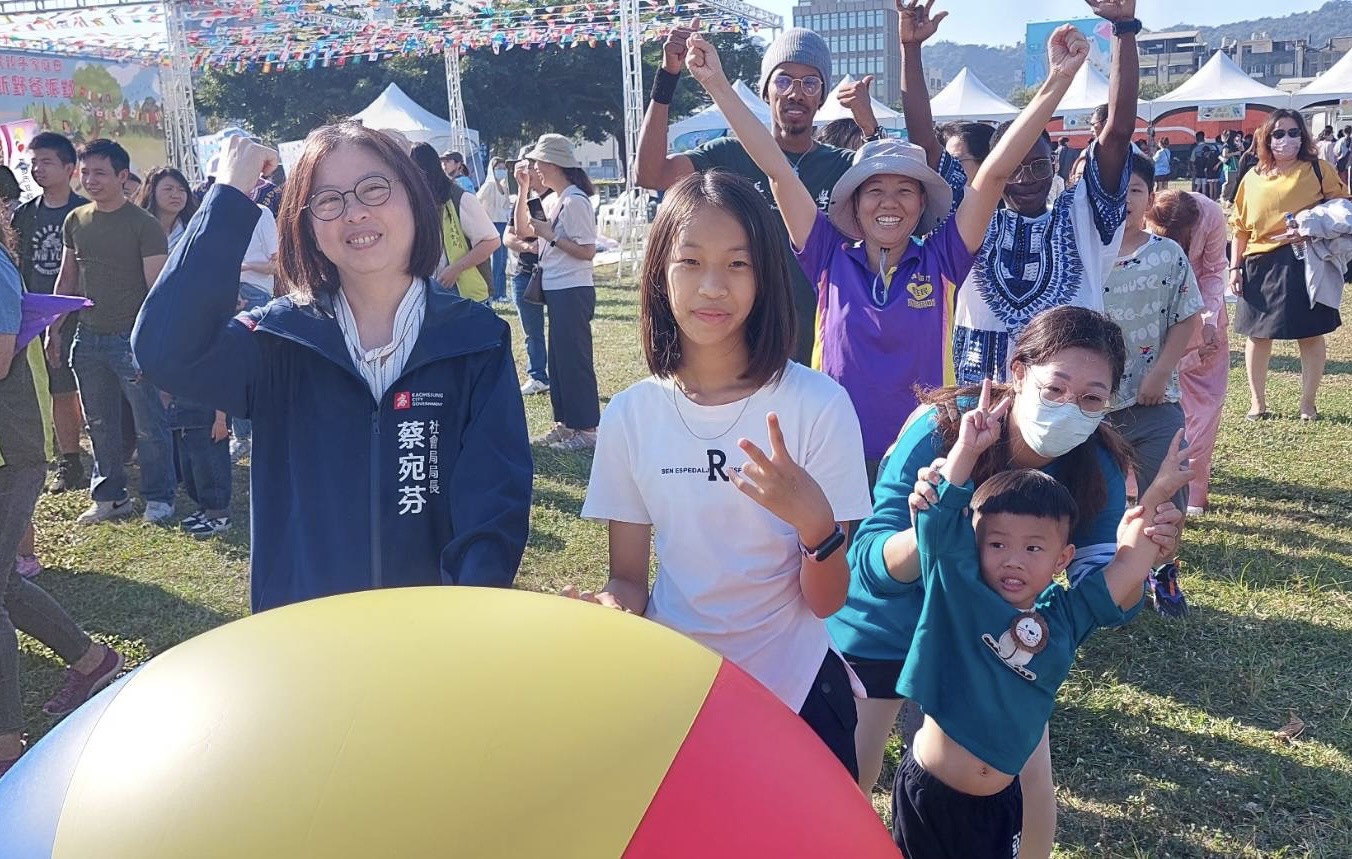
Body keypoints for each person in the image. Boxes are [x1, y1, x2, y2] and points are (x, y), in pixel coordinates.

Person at [828, 306, 1183, 856]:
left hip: (994, 639)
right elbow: (870, 562)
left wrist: (1141, 554)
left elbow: (1107, 598)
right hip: (886, 624)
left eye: (1092, 398)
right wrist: (931, 529)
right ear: (1019, 372)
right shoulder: (945, 429)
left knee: (1029, 777)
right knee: (846, 774)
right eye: (1055, 388)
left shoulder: (1096, 465)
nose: (1070, 407)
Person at [131, 127, 532, 613]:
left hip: (437, 632)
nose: (354, 212)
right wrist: (229, 195)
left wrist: (464, 613)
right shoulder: (279, 338)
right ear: (307, 227)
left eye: (374, 188)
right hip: (308, 635)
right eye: (328, 200)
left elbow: (494, 496)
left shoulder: (475, 338)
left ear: (414, 197)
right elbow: (164, 350)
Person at [684, 21, 1093, 480]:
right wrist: (716, 83)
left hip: (923, 455)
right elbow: (778, 170)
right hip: (831, 448)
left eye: (904, 190)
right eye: (874, 190)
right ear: (855, 204)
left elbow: (994, 175)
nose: (889, 203)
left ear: (922, 204)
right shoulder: (828, 254)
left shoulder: (943, 259)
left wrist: (1058, 79)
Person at [572, 170, 874, 776]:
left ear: (765, 276)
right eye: (690, 262)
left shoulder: (818, 404)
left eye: (738, 264)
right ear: (660, 272)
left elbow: (828, 601)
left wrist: (815, 526)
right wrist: (606, 609)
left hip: (796, 689)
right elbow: (628, 580)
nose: (712, 287)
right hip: (677, 688)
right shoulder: (632, 413)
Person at [889, 380, 1194, 859]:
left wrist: (1157, 494)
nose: (1013, 560)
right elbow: (938, 517)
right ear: (974, 545)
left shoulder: (1064, 619)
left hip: (999, 804)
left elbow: (1126, 567)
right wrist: (967, 449)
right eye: (997, 544)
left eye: (1033, 547)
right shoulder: (956, 590)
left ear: (1062, 558)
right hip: (931, 796)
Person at [899, 0, 1139, 390]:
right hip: (978, 400)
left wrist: (1125, 29)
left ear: (1055, 163)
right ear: (995, 169)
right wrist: (910, 49)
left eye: (1039, 165)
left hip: (1062, 398)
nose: (1027, 179)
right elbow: (926, 144)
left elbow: (1117, 134)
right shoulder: (971, 220)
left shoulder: (1083, 218)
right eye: (1013, 168)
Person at [637, 22, 885, 365]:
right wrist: (667, 77)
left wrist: (871, 128)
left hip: (824, 346)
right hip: (743, 343)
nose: (795, 93)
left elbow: (896, 197)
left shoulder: (842, 166)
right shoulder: (728, 155)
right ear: (765, 90)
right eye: (783, 80)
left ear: (822, 96)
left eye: (810, 83)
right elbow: (651, 174)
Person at [0, 226, 125, 779]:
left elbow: (0, 359)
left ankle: (6, 748)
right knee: (4, 582)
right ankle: (95, 662)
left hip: (11, 451)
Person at [47, 139, 175, 525]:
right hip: (87, 338)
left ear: (123, 176)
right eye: (85, 172)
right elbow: (67, 279)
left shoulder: (144, 225)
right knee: (99, 423)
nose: (90, 180)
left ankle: (159, 497)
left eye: (100, 173)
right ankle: (110, 496)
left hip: (131, 339)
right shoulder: (76, 220)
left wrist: (152, 343)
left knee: (148, 423)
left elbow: (157, 292)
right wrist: (54, 328)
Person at [1100, 155, 1202, 618]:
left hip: (1154, 401)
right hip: (1092, 408)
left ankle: (1162, 569)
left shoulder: (1167, 254)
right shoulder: (1081, 253)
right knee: (1097, 497)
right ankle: (1108, 574)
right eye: (1112, 190)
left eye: (1134, 191)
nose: (1123, 201)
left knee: (1167, 490)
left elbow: (1187, 316)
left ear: (1150, 197)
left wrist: (1161, 372)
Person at [1230, 109, 1347, 422]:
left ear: (1303, 136)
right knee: (1257, 335)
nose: (1287, 139)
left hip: (1304, 260)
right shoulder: (1252, 177)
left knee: (1310, 334)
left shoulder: (1318, 169)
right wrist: (1234, 268)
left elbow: (1342, 208)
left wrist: (1312, 226)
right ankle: (1257, 403)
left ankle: (1308, 404)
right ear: (1266, 139)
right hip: (1259, 263)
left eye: (1294, 132)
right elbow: (1239, 228)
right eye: (1279, 134)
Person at [10, 132, 87, 495]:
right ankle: (67, 459)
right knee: (52, 387)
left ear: (70, 168)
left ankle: (93, 456)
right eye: (33, 163)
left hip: (78, 313)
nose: (38, 169)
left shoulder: (86, 212)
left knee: (75, 388)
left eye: (46, 162)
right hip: (33, 316)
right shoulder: (25, 214)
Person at [512, 134, 600, 452]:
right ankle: (566, 424)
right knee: (560, 362)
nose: (534, 167)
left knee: (574, 360)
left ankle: (586, 429)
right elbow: (524, 230)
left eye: (538, 162)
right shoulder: (555, 199)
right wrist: (523, 189)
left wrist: (551, 237)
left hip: (572, 289)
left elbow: (587, 251)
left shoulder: (575, 201)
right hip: (558, 288)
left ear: (553, 164)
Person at [1147, 189, 1229, 515]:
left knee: (1204, 405)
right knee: (1153, 401)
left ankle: (1194, 488)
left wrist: (1209, 320)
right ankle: (1141, 481)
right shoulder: (1142, 212)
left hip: (1202, 317)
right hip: (1152, 315)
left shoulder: (1211, 215)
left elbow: (1214, 270)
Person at [410, 142, 499, 304]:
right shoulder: (412, 202)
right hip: (426, 292)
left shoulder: (461, 198)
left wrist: (456, 268)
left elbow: (492, 242)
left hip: (465, 294)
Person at [505, 147, 549, 396]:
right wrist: (527, 246)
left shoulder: (554, 196)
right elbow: (509, 236)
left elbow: (526, 230)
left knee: (560, 330)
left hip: (551, 271)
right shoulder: (523, 198)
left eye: (528, 166)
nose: (524, 171)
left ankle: (558, 373)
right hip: (525, 272)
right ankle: (538, 375)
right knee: (532, 331)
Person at [477, 156, 513, 302]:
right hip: (493, 224)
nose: (502, 171)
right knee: (497, 260)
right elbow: (477, 200)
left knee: (503, 260)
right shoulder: (489, 186)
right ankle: (495, 292)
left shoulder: (504, 186)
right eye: (499, 168)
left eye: (504, 168)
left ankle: (502, 292)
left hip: (503, 224)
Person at [137, 166, 198, 251]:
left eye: (181, 190)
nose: (176, 195)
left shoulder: (193, 230)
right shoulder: (135, 229)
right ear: (151, 191)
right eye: (168, 189)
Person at [1189, 131, 1219, 198]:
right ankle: (1209, 197)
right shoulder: (1211, 147)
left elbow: (1192, 161)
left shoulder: (1195, 149)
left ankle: (1195, 197)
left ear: (1197, 139)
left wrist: (1193, 170)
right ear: (1204, 138)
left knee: (1198, 186)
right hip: (1210, 171)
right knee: (1207, 186)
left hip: (1198, 172)